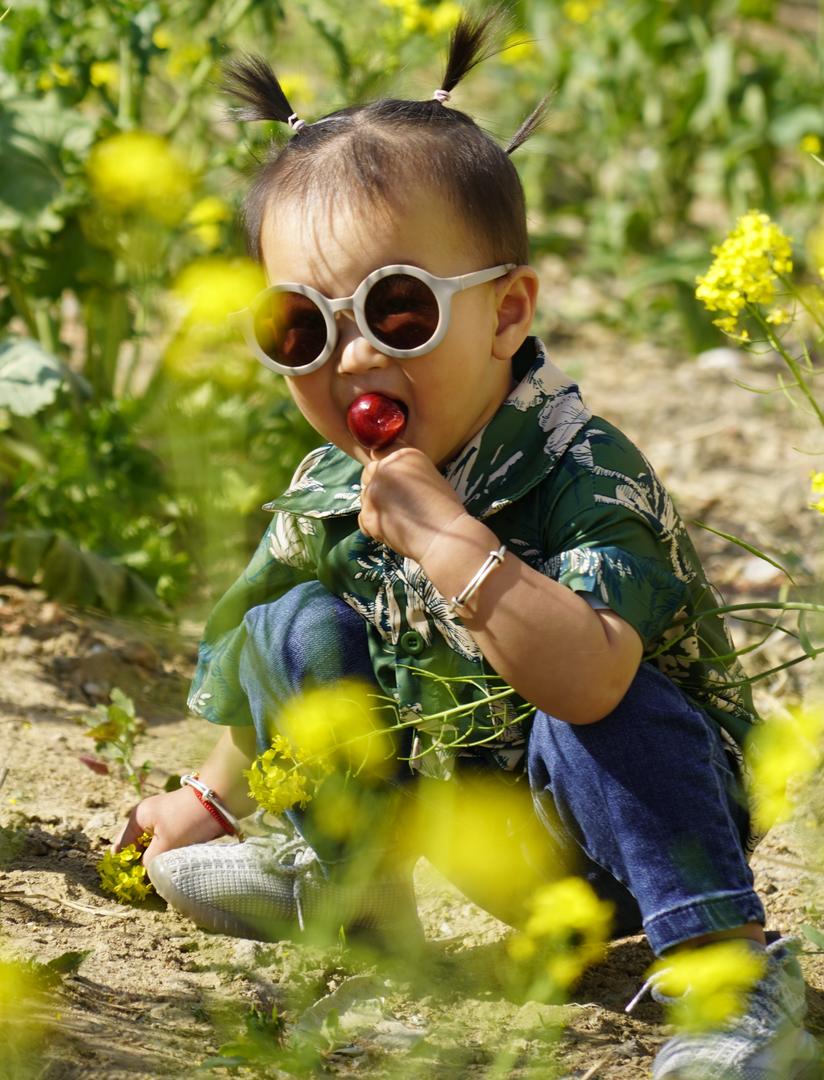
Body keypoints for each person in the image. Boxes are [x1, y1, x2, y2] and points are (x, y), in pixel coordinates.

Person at [113, 12, 819, 1078]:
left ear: (506, 311)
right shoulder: (331, 490)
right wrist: (209, 799)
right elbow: (266, 666)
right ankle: (341, 881)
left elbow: (588, 683)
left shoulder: (584, 469)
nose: (350, 357)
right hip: (482, 833)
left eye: (397, 312)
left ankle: (726, 971)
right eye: (301, 328)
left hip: (646, 825)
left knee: (587, 695)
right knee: (293, 617)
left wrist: (452, 540)